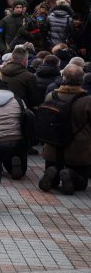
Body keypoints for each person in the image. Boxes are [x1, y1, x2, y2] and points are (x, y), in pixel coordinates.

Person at [39, 65, 91, 194]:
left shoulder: (51, 96)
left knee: (54, 181)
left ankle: (54, 173)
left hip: (53, 147)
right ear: (82, 80)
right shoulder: (87, 101)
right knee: (81, 184)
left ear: (63, 78)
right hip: (79, 150)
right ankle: (70, 173)